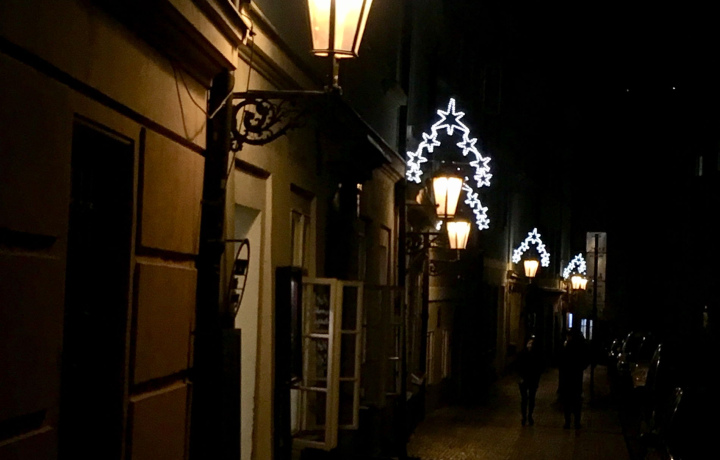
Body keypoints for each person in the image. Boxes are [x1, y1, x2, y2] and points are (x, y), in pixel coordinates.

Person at [558, 328, 591, 428]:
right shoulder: (581, 345)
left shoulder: (568, 345)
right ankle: (576, 422)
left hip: (568, 374)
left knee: (568, 399)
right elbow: (586, 359)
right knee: (576, 399)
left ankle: (568, 421)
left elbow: (561, 358)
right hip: (576, 374)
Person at [515, 336, 544, 426]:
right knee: (524, 398)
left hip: (532, 379)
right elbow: (518, 366)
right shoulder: (522, 354)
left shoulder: (536, 355)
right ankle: (524, 416)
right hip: (524, 379)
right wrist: (520, 377)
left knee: (531, 398)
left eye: (532, 343)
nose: (530, 345)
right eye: (529, 343)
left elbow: (540, 367)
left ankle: (530, 415)